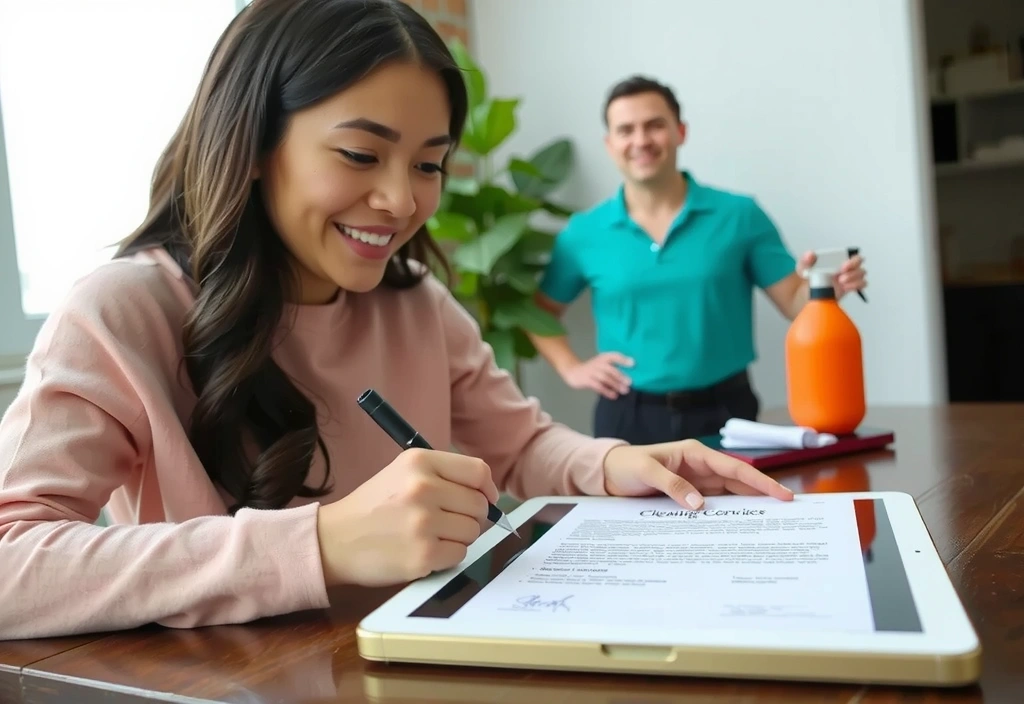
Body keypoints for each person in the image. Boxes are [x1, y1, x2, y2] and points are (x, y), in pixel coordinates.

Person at [0, 2, 793, 640]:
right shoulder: (123, 310)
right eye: (358, 154)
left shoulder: (416, 304)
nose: (402, 201)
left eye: (428, 164)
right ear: (250, 146)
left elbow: (517, 443)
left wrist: (612, 465)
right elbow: (12, 567)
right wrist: (319, 543)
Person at [529, 75, 867, 445]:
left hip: (726, 411)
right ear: (610, 145)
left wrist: (824, 291)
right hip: (627, 418)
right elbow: (539, 310)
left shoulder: (740, 216)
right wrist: (571, 368)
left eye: (655, 126)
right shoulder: (584, 232)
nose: (641, 141)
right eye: (626, 130)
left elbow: (793, 301)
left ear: (680, 132)